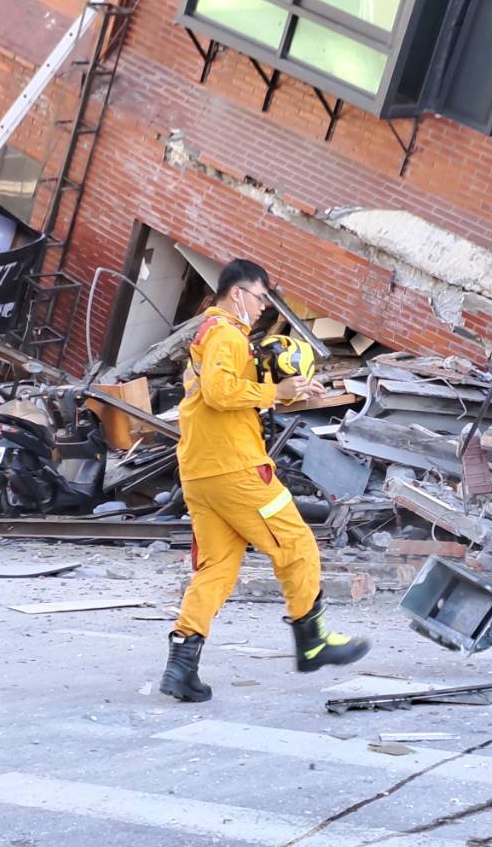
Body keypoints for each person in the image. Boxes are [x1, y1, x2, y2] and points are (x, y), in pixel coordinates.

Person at [159, 259, 370, 703]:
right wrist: (277, 392)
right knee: (296, 544)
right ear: (238, 293)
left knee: (216, 567)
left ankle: (181, 664)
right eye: (260, 298)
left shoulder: (204, 337)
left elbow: (224, 394)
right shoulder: (225, 333)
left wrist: (284, 391)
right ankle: (311, 640)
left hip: (201, 472)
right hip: (236, 471)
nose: (261, 308)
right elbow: (220, 394)